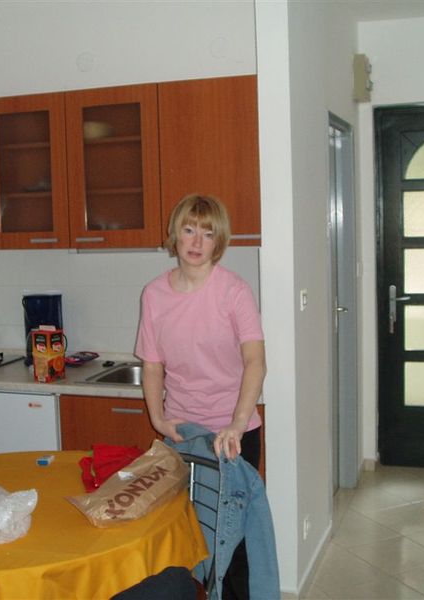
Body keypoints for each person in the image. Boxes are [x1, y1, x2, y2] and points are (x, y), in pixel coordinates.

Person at [135, 193, 266, 600]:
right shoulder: (154, 294)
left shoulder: (233, 291)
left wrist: (237, 424)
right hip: (182, 435)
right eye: (189, 230)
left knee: (233, 543)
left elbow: (255, 362)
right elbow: (153, 366)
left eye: (207, 234)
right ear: (174, 234)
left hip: (233, 435)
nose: (196, 241)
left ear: (218, 241)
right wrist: (159, 420)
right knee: (184, 535)